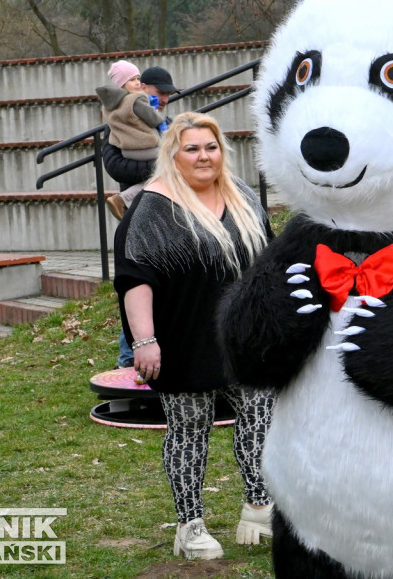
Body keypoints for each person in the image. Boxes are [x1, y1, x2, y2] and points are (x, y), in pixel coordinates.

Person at [114, 111, 275, 560]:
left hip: (242, 337)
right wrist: (145, 341)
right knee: (190, 430)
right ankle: (190, 525)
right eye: (193, 148)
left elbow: (267, 260)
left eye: (211, 147)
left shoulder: (240, 195)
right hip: (182, 338)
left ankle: (259, 509)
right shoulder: (153, 206)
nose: (204, 156)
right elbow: (134, 279)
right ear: (173, 154)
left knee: (261, 414)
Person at [104, 65, 180, 370]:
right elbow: (115, 167)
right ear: (142, 87)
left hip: (173, 220)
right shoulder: (117, 123)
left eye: (167, 95)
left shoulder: (168, 124)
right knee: (135, 287)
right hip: (137, 221)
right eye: (159, 92)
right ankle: (127, 362)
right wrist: (162, 166)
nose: (163, 99)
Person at [97, 60, 166, 219]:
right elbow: (152, 117)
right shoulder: (135, 99)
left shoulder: (110, 105)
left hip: (127, 150)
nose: (137, 83)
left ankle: (124, 198)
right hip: (145, 148)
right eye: (132, 79)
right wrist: (161, 122)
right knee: (173, 163)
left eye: (138, 78)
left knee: (165, 172)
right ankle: (124, 198)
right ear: (122, 84)